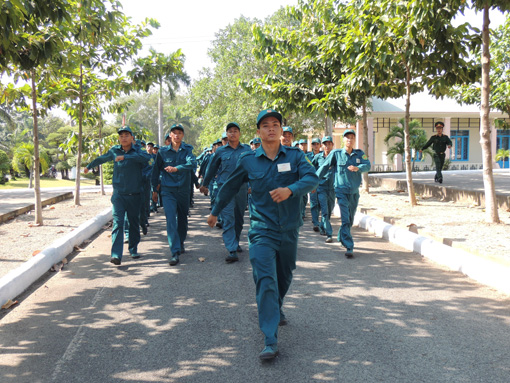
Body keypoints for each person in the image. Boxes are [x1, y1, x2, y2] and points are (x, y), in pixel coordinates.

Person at [207, 109, 319, 361]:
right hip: (261, 230)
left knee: (284, 274)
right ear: (258, 132)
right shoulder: (248, 160)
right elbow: (230, 186)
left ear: (281, 130)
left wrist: (291, 189)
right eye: (265, 125)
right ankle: (270, 339)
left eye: (275, 124)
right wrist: (215, 212)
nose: (271, 128)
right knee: (265, 280)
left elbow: (313, 179)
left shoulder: (296, 156)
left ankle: (276, 307)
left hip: (289, 229)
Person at [85, 126, 151, 265]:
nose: (124, 138)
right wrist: (89, 166)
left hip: (135, 195)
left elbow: (147, 158)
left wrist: (126, 157)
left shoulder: (139, 151)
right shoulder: (115, 151)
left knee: (133, 223)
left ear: (132, 138)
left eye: (127, 135)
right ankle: (116, 255)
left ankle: (133, 249)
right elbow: (103, 158)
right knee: (118, 223)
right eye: (121, 136)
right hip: (119, 195)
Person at [201, 122, 251, 262]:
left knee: (239, 218)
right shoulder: (221, 151)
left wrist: (252, 184)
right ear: (226, 135)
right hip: (225, 189)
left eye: (235, 131)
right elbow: (211, 168)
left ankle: (235, 240)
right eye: (230, 131)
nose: (233, 133)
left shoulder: (247, 150)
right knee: (228, 218)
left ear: (239, 134)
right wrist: (205, 184)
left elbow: (253, 168)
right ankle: (231, 248)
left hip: (241, 188)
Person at [317, 129, 371, 258]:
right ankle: (349, 246)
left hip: (354, 192)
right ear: (343, 139)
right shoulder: (336, 154)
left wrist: (358, 168)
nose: (349, 140)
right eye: (347, 137)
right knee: (346, 219)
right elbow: (324, 167)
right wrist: (313, 181)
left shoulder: (359, 154)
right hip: (341, 191)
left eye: (352, 137)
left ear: (354, 140)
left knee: (350, 219)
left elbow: (368, 165)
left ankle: (341, 236)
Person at [151, 124, 196, 266]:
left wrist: (177, 168)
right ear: (170, 135)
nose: (176, 135)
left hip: (183, 190)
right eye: (174, 133)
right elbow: (155, 171)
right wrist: (154, 189)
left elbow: (191, 164)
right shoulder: (163, 152)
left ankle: (180, 242)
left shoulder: (188, 150)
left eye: (179, 133)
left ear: (183, 135)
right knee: (171, 219)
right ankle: (174, 251)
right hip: (167, 190)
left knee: (182, 218)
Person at [312, 136, 336, 242]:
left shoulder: (336, 157)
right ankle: (329, 234)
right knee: (325, 211)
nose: (327, 146)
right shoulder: (318, 157)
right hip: (321, 187)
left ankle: (322, 226)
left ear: (332, 145)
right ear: (322, 145)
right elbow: (311, 168)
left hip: (332, 188)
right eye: (325, 144)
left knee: (329, 210)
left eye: (329, 143)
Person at [309, 138, 322, 231]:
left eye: (317, 144)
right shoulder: (307, 156)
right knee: (314, 202)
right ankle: (315, 223)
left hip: (323, 183)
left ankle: (320, 220)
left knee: (321, 203)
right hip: (312, 182)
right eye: (314, 144)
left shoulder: (324, 155)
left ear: (320, 145)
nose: (316, 146)